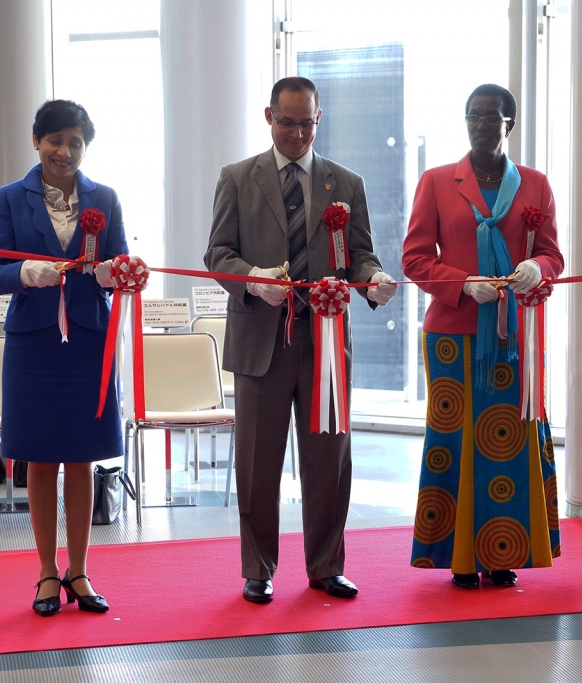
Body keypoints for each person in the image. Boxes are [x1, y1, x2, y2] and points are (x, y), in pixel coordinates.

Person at [204, 76, 398, 604]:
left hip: (326, 343)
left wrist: (375, 280)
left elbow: (360, 254)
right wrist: (254, 280)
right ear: (269, 117)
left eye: (306, 124)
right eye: (287, 123)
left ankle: (327, 565)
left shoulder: (346, 183)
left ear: (319, 118)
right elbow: (218, 254)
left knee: (329, 458)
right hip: (260, 341)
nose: (296, 134)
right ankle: (257, 568)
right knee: (257, 462)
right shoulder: (237, 178)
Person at [402, 83, 564, 589]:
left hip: (515, 335)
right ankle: (456, 557)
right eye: (474, 115)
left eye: (492, 116)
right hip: (452, 334)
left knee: (509, 437)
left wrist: (538, 268)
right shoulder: (436, 181)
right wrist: (462, 284)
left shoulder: (535, 184)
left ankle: (502, 553)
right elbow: (414, 259)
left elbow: (553, 255)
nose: (481, 124)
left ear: (509, 124)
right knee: (453, 439)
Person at [0, 99, 139, 615]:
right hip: (33, 342)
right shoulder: (12, 197)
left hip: (90, 340)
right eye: (55, 140)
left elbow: (118, 264)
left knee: (82, 455)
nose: (65, 152)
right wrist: (25, 273)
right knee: (40, 456)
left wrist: (113, 273)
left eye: (75, 143)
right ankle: (47, 573)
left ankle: (80, 571)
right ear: (37, 141)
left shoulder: (105, 197)